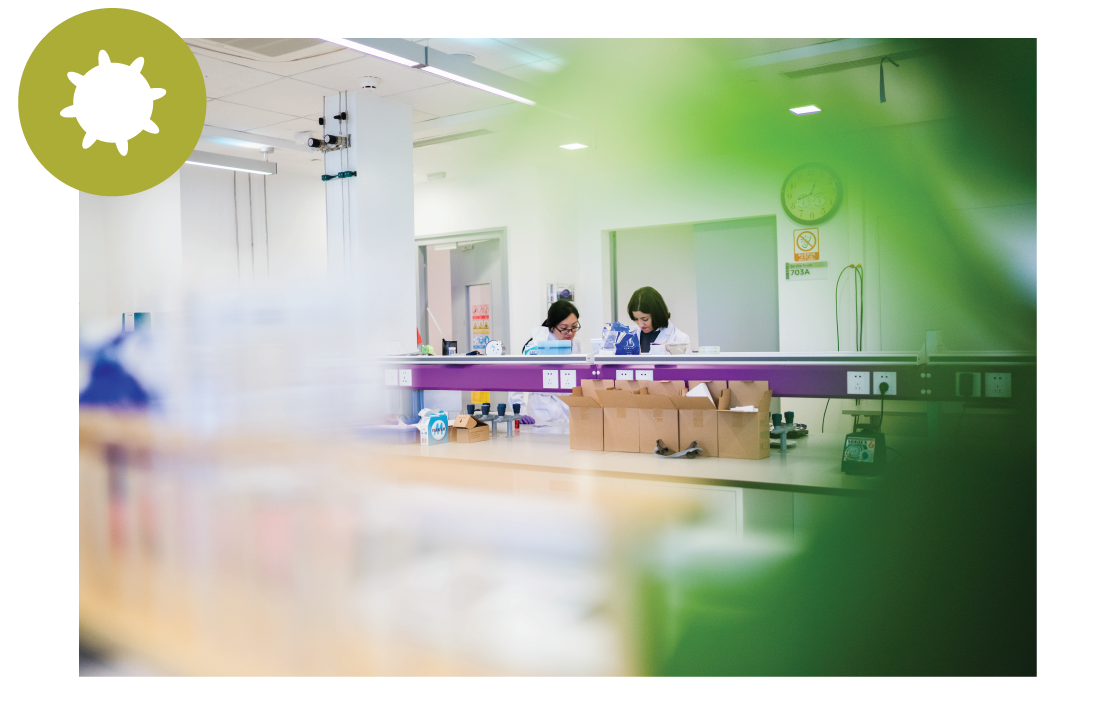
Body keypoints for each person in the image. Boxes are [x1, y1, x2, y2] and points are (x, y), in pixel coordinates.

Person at [511, 300, 581, 425]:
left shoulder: (575, 343)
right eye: (564, 328)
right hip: (541, 411)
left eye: (574, 327)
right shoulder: (536, 345)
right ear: (552, 326)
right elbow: (516, 379)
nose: (570, 333)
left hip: (568, 407)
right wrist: (519, 412)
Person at [628, 286, 690, 353]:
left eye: (645, 319)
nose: (640, 324)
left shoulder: (679, 339)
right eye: (636, 319)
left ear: (657, 314)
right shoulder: (629, 338)